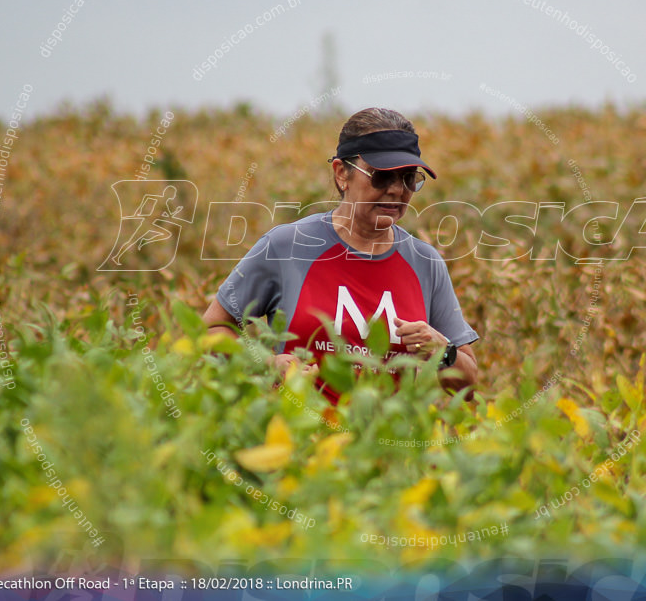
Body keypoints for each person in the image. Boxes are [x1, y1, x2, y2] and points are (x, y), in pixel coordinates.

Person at [201, 107, 479, 403]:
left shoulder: (425, 262)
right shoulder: (286, 246)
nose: (397, 190)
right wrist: (266, 365)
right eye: (382, 177)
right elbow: (211, 331)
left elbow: (467, 384)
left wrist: (443, 350)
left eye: (409, 178)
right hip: (300, 440)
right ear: (341, 173)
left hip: (390, 444)